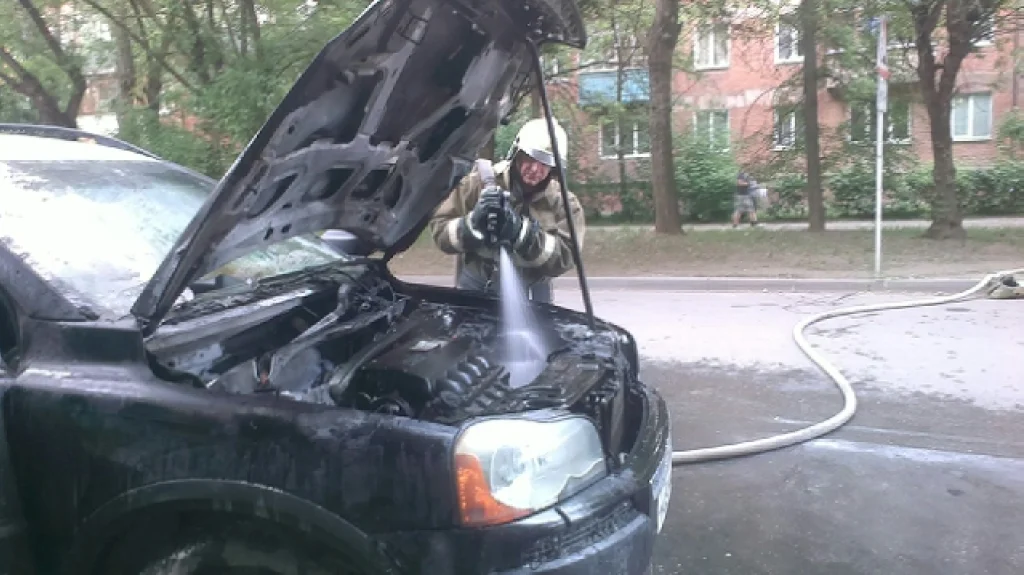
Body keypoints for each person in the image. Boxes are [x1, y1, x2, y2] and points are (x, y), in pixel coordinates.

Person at [429, 118, 586, 304]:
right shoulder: (477, 184)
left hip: (533, 297)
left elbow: (566, 257)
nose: (535, 169)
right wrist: (472, 225)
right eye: (530, 158)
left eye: (544, 163)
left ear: (554, 168)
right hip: (476, 289)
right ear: (516, 153)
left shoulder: (564, 204)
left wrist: (522, 234)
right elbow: (440, 231)